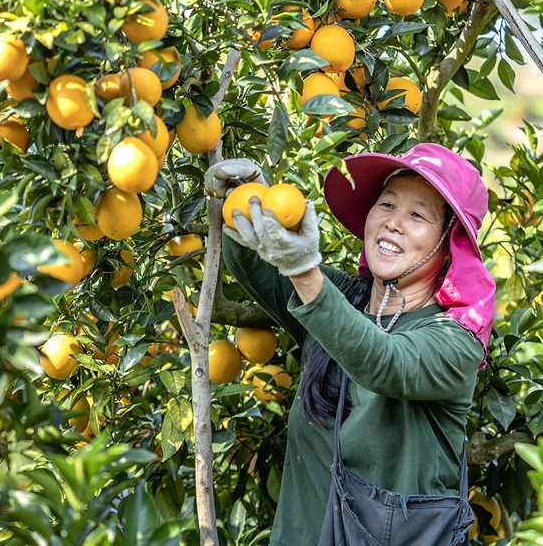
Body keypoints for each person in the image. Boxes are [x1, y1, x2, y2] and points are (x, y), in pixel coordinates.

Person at [206, 143, 496, 546]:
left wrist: (304, 272)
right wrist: (248, 201)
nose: (394, 223)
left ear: (450, 242)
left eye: (417, 215)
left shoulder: (455, 343)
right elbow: (255, 260)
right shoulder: (344, 298)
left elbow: (384, 363)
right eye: (387, 204)